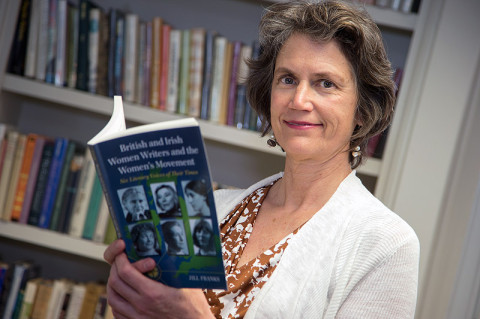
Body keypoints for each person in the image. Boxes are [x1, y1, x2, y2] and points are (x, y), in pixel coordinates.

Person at [103, 1, 420, 318]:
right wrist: (135, 298)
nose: (299, 100)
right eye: (288, 79)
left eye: (326, 83)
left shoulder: (386, 244)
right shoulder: (213, 207)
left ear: (363, 110)